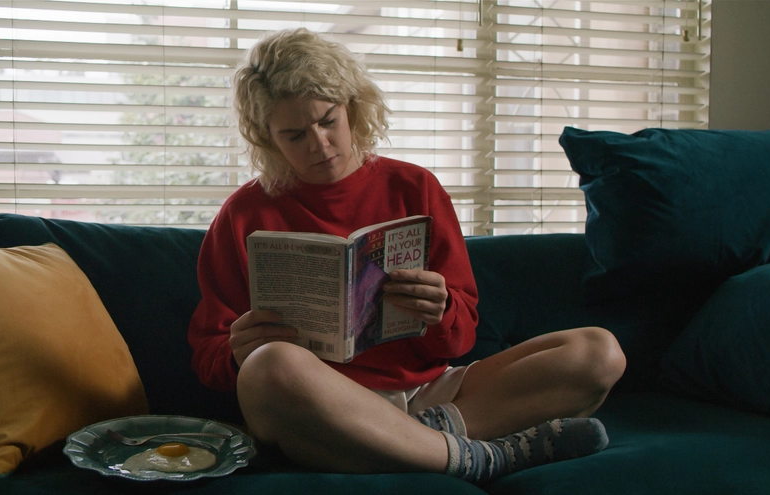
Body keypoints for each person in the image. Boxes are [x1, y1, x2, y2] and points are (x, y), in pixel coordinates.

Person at [188, 27, 626, 484]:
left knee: (599, 352)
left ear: (352, 108)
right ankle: (480, 456)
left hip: (430, 392)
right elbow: (210, 360)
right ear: (268, 139)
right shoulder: (244, 213)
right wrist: (239, 352)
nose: (319, 143)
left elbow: (461, 340)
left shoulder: (415, 187)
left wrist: (440, 311)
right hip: (320, 403)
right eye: (295, 135)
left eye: (327, 120)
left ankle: (416, 441)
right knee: (268, 367)